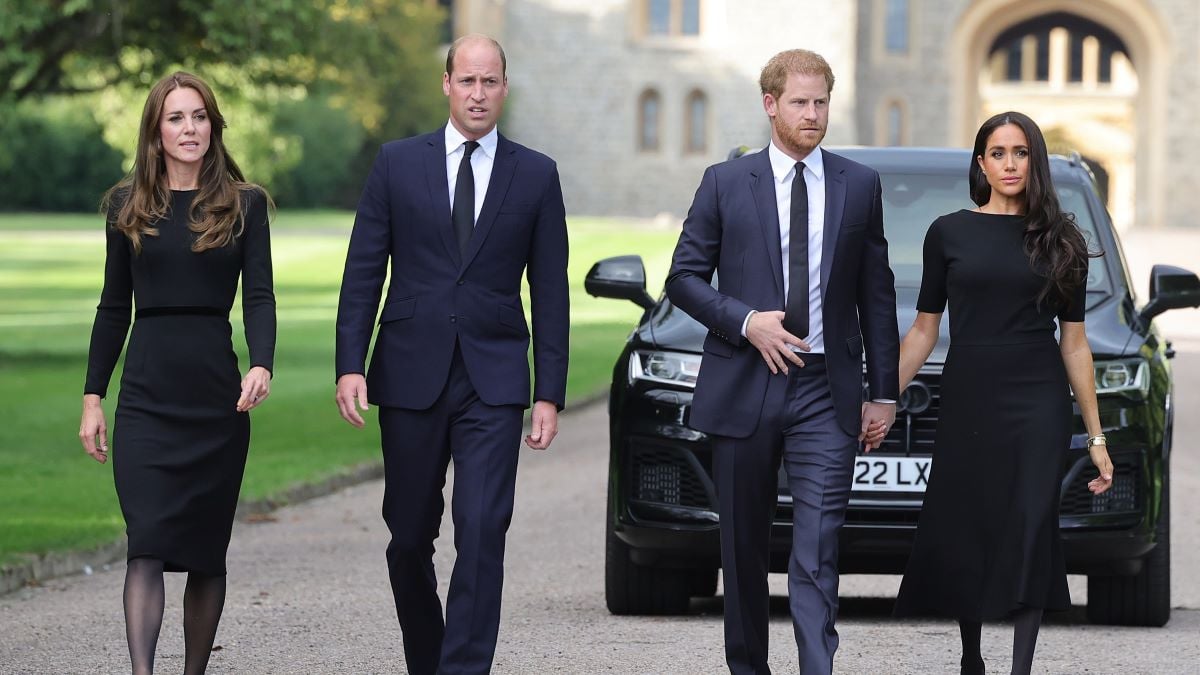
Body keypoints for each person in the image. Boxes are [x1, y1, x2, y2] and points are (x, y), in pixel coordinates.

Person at [333, 34, 569, 674]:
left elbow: (549, 291)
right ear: (447, 84)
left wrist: (548, 391)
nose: (478, 94)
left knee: (483, 529)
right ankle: (428, 657)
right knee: (408, 538)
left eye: (489, 82)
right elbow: (363, 273)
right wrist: (350, 363)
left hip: (494, 380)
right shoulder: (396, 163)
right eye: (467, 81)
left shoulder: (537, 173)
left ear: (504, 88)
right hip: (410, 372)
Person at [666, 49, 899, 674]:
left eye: (821, 101)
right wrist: (745, 321)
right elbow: (683, 279)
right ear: (771, 104)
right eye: (800, 102)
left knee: (818, 543)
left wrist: (885, 390)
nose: (813, 114)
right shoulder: (724, 182)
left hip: (826, 387)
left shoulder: (858, 184)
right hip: (746, 381)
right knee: (742, 549)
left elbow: (876, 295)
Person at [892, 111, 1114, 675]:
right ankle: (971, 657)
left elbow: (1075, 345)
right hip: (970, 391)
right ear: (981, 162)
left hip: (1038, 396)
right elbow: (924, 328)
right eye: (997, 152)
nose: (1009, 163)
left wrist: (1095, 435)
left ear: (1034, 161)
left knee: (1031, 520)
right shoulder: (949, 232)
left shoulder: (1063, 241)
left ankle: (1020, 667)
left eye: (1020, 152)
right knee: (971, 518)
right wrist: (883, 396)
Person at [78, 71, 275, 674]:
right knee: (147, 546)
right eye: (175, 118)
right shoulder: (125, 206)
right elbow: (113, 307)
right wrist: (93, 397)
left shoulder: (244, 204)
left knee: (206, 554)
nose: (189, 128)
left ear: (213, 126)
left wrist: (263, 361)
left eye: (198, 117)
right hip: (146, 397)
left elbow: (261, 297)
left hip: (215, 398)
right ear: (156, 131)